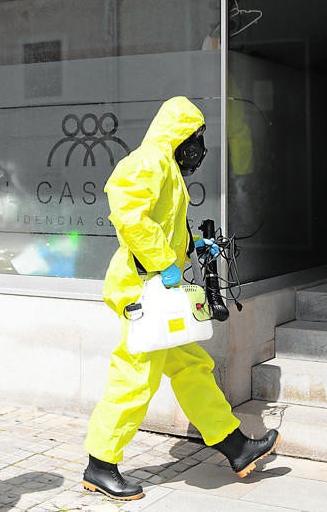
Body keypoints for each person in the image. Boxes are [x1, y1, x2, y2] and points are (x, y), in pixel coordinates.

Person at [82, 96, 279, 501]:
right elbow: (128, 213)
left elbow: (161, 223)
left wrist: (193, 245)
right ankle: (100, 465)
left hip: (161, 292)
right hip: (143, 290)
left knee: (191, 367)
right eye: (195, 138)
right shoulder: (148, 161)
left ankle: (235, 447)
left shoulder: (167, 169)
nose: (199, 150)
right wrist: (161, 261)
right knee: (134, 377)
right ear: (179, 136)